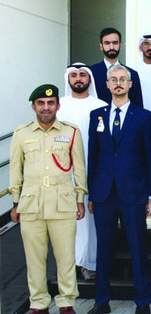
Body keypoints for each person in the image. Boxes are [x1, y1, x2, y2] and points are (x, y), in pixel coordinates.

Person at [9, 84, 86, 314]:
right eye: (41, 103)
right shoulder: (21, 134)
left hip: (63, 204)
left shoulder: (71, 132)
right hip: (31, 204)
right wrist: (15, 202)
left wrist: (80, 199)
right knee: (34, 258)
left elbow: (80, 169)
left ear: (57, 106)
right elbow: (14, 170)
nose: (46, 107)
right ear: (33, 106)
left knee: (65, 257)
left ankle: (66, 302)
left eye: (50, 103)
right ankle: (39, 303)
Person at [86, 64, 151, 314]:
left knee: (138, 249)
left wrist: (150, 195)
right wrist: (92, 193)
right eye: (113, 79)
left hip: (133, 193)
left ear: (130, 85)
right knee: (103, 250)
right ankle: (101, 301)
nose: (118, 83)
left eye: (122, 79)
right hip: (104, 194)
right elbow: (93, 155)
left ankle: (142, 302)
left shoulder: (144, 116)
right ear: (106, 85)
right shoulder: (97, 116)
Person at [57, 63, 106, 282]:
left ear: (89, 79)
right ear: (68, 79)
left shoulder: (101, 105)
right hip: (62, 170)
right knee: (65, 219)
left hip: (91, 169)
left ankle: (89, 263)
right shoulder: (60, 106)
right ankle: (68, 263)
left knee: (88, 219)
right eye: (74, 75)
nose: (78, 79)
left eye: (82, 75)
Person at [90, 27, 143, 106]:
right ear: (101, 46)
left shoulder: (132, 74)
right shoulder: (91, 72)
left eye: (115, 43)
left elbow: (137, 106)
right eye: (107, 43)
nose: (111, 47)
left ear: (120, 45)